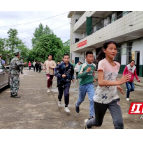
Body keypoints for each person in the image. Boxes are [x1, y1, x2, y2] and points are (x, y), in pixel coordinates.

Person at [84, 41, 131, 129]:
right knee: (98, 123)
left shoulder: (117, 64)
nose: (113, 51)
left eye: (115, 49)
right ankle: (88, 123)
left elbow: (114, 77)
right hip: (100, 98)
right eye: (111, 48)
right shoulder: (102, 63)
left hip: (113, 97)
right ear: (104, 50)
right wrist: (118, 82)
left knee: (119, 123)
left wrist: (117, 85)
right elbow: (101, 82)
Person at [75, 51, 96, 119]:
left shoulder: (94, 66)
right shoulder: (83, 65)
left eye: (92, 57)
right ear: (86, 58)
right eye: (90, 56)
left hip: (90, 84)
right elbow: (79, 76)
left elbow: (93, 73)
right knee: (81, 99)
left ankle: (91, 116)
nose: (91, 58)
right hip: (83, 85)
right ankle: (77, 105)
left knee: (93, 99)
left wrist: (93, 78)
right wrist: (86, 71)